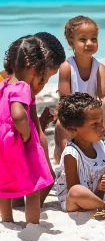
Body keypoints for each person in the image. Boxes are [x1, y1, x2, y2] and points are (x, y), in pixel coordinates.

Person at [2, 33, 65, 209]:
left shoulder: (7, 80)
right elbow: (18, 116)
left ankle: (16, 207)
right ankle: (28, 208)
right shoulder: (23, 87)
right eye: (47, 77)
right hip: (13, 143)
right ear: (35, 67)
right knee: (44, 177)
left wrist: (40, 124)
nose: (45, 84)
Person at [54, 16, 105, 164]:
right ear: (71, 42)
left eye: (94, 39)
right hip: (74, 115)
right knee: (61, 123)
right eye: (83, 39)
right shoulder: (67, 67)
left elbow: (103, 99)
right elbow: (65, 100)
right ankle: (67, 159)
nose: (89, 43)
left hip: (95, 116)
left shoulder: (100, 68)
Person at [55, 93, 105, 212]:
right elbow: (74, 191)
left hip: (98, 196)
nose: (102, 128)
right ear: (73, 129)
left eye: (101, 121)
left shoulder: (99, 145)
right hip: (75, 203)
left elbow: (102, 182)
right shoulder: (71, 154)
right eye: (94, 124)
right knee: (77, 191)